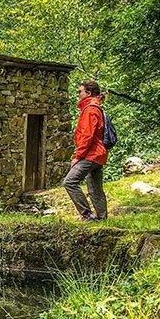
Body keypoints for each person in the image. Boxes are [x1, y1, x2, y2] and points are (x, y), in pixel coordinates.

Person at [62, 80, 108, 221]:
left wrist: (77, 156)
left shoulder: (90, 109)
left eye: (80, 91)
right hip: (99, 154)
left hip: (91, 154)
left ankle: (87, 215)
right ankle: (102, 219)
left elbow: (87, 135)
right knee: (95, 188)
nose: (78, 94)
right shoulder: (94, 107)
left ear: (88, 93)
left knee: (69, 182)